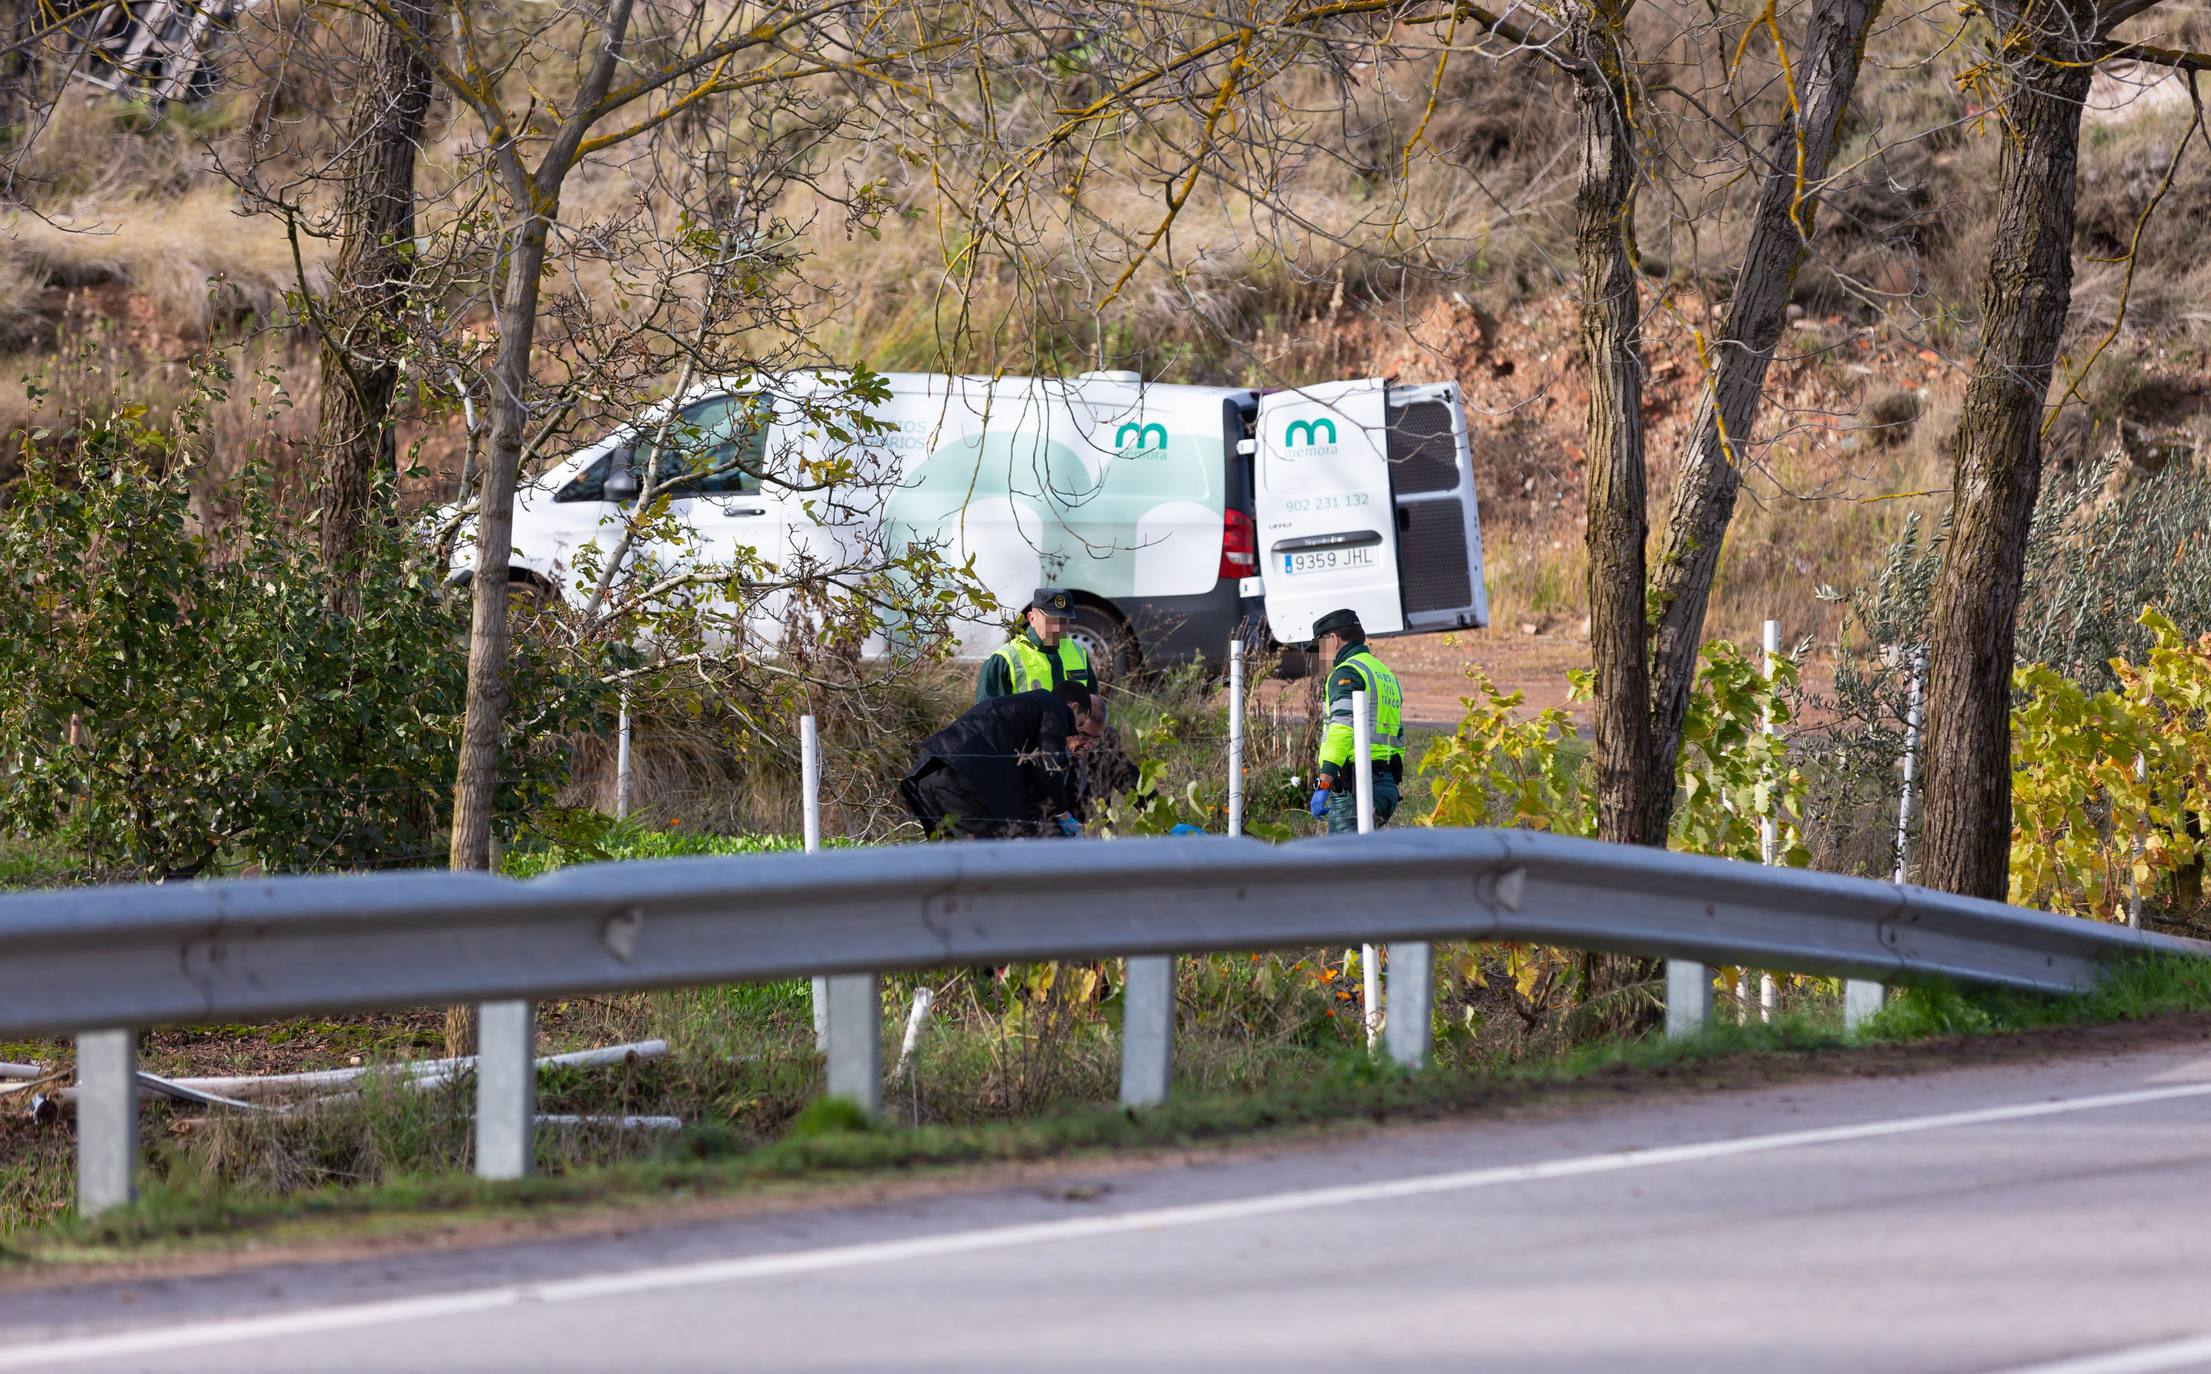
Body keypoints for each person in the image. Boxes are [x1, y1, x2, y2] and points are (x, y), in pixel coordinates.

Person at [900, 682, 1105, 838]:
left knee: (947, 860)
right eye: (1077, 724)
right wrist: (1063, 813)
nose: (1072, 731)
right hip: (962, 781)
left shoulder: (1022, 709)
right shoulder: (1055, 709)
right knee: (983, 862)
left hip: (929, 772)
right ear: (1074, 707)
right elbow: (1049, 769)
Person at [1306, 608, 1405, 832]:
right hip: (1385, 786)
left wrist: (1323, 783)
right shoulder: (1384, 673)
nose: (1318, 657)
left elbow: (1342, 727)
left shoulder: (1345, 672)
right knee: (1368, 861)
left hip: (1356, 787)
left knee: (1341, 863)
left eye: (1318, 648)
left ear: (1332, 639)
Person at [975, 587, 1096, 702]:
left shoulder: (1079, 652)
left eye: (1063, 621)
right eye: (1051, 620)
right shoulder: (1004, 659)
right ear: (1032, 618)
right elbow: (987, 718)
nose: (1057, 627)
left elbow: (1091, 707)